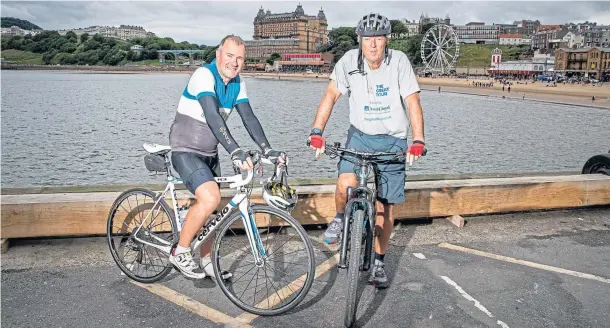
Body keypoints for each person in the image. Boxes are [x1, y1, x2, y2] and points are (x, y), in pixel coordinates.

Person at [308, 13, 426, 289]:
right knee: (344, 184)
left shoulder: (399, 63)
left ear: (386, 40)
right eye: (367, 39)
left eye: (378, 39)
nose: (372, 45)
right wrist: (317, 132)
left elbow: (413, 102)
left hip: (393, 140)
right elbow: (330, 96)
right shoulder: (349, 61)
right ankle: (339, 218)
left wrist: (418, 140)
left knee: (385, 207)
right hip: (359, 137)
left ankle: (378, 262)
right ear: (360, 40)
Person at [168, 35, 288, 279]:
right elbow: (213, 116)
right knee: (210, 198)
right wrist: (234, 150)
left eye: (240, 58)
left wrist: (267, 149)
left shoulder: (237, 83)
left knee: (214, 210)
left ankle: (206, 259)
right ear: (218, 55)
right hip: (185, 150)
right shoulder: (204, 75)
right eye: (230, 56)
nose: (234, 62)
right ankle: (179, 251)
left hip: (210, 154)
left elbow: (249, 118)